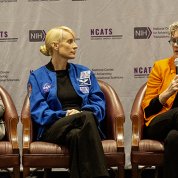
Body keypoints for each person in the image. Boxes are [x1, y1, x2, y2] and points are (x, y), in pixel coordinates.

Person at [27, 26, 109, 178]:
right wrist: (65, 114)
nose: (75, 46)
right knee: (85, 117)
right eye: (70, 42)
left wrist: (81, 114)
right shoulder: (37, 76)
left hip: (84, 125)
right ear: (55, 46)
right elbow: (40, 113)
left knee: (77, 135)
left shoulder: (84, 72)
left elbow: (98, 103)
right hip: (53, 127)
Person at [142, 21, 178, 178]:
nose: (176, 45)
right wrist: (167, 93)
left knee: (174, 138)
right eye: (173, 40)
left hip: (173, 130)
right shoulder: (160, 67)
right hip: (159, 122)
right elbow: (148, 108)